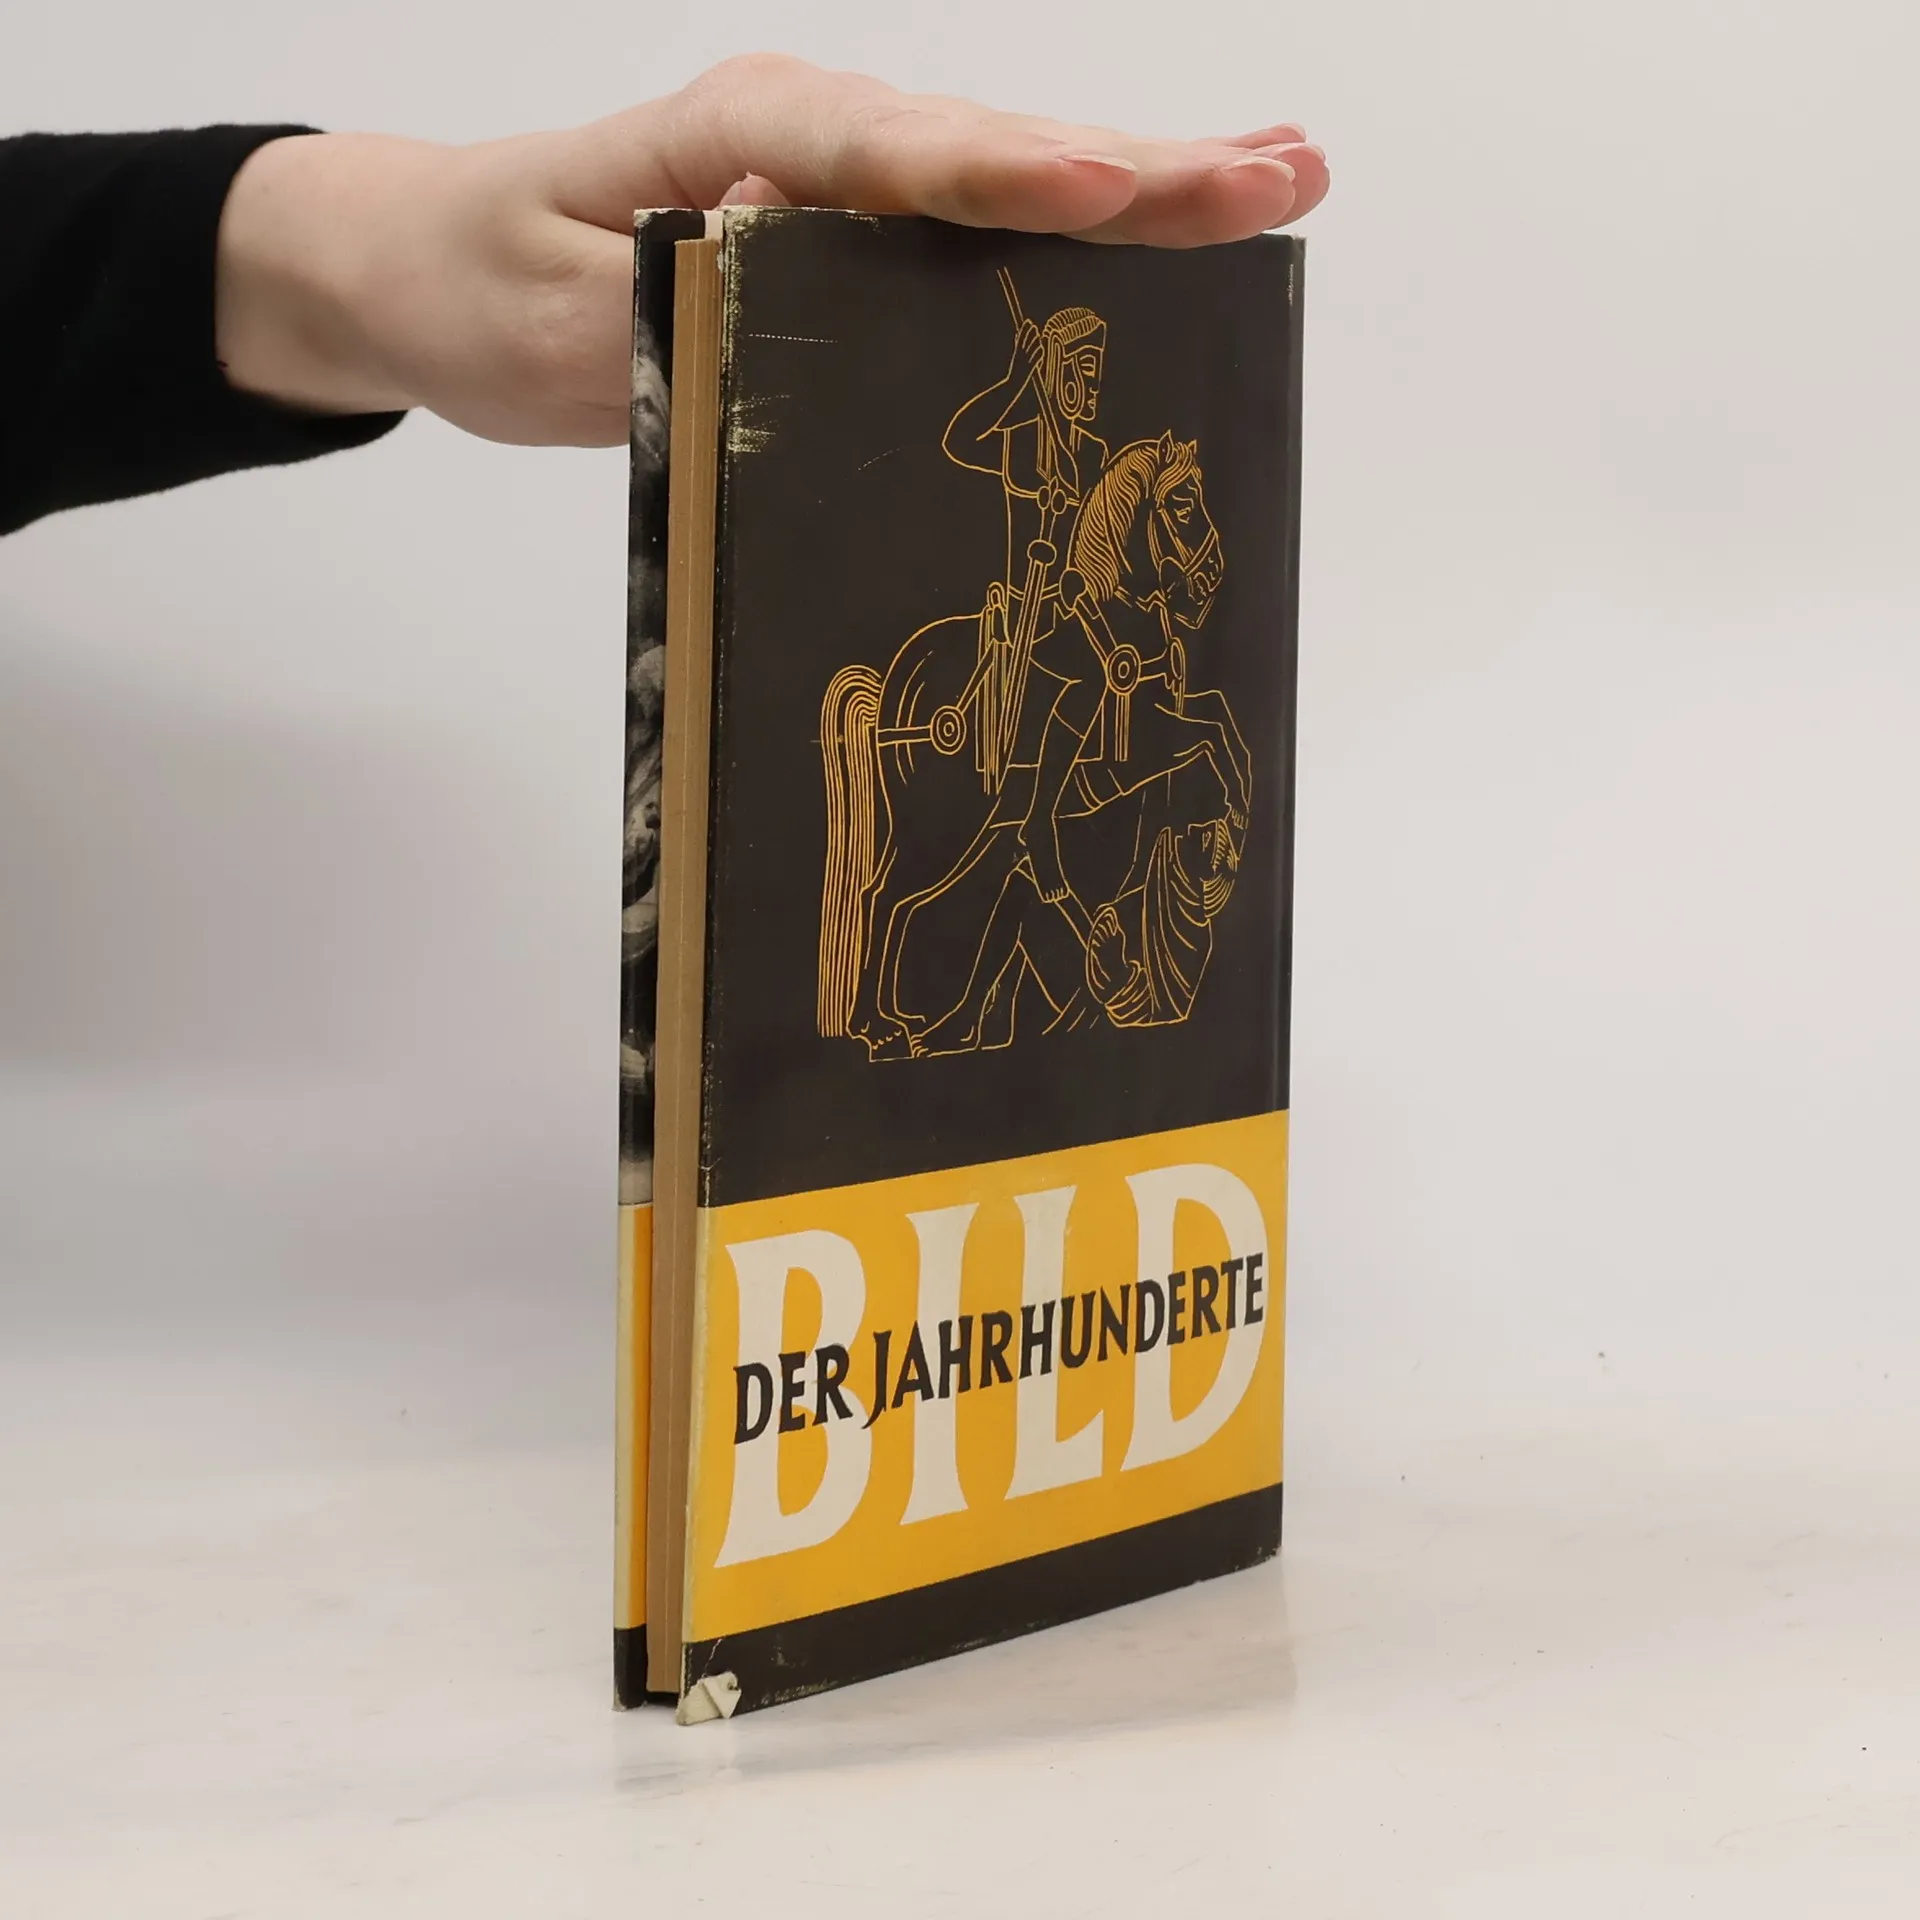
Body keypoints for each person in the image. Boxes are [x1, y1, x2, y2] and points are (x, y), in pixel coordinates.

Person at [0, 54, 1328, 537]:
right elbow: (978, 449)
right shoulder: (1029, 422)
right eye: (1074, 367)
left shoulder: (1095, 443)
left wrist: (362, 250)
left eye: (1084, 372)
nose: (1081, 383)